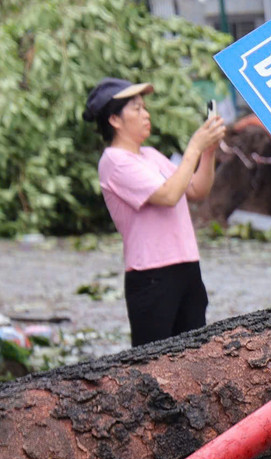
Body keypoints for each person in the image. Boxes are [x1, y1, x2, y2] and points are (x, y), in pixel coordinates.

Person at [87, 78, 226, 348]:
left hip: (187, 267)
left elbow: (196, 189)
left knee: (195, 356)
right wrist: (194, 147)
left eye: (145, 108)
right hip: (152, 275)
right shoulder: (114, 161)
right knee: (155, 364)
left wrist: (208, 153)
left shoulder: (150, 155)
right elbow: (168, 195)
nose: (146, 114)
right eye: (137, 109)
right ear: (114, 120)